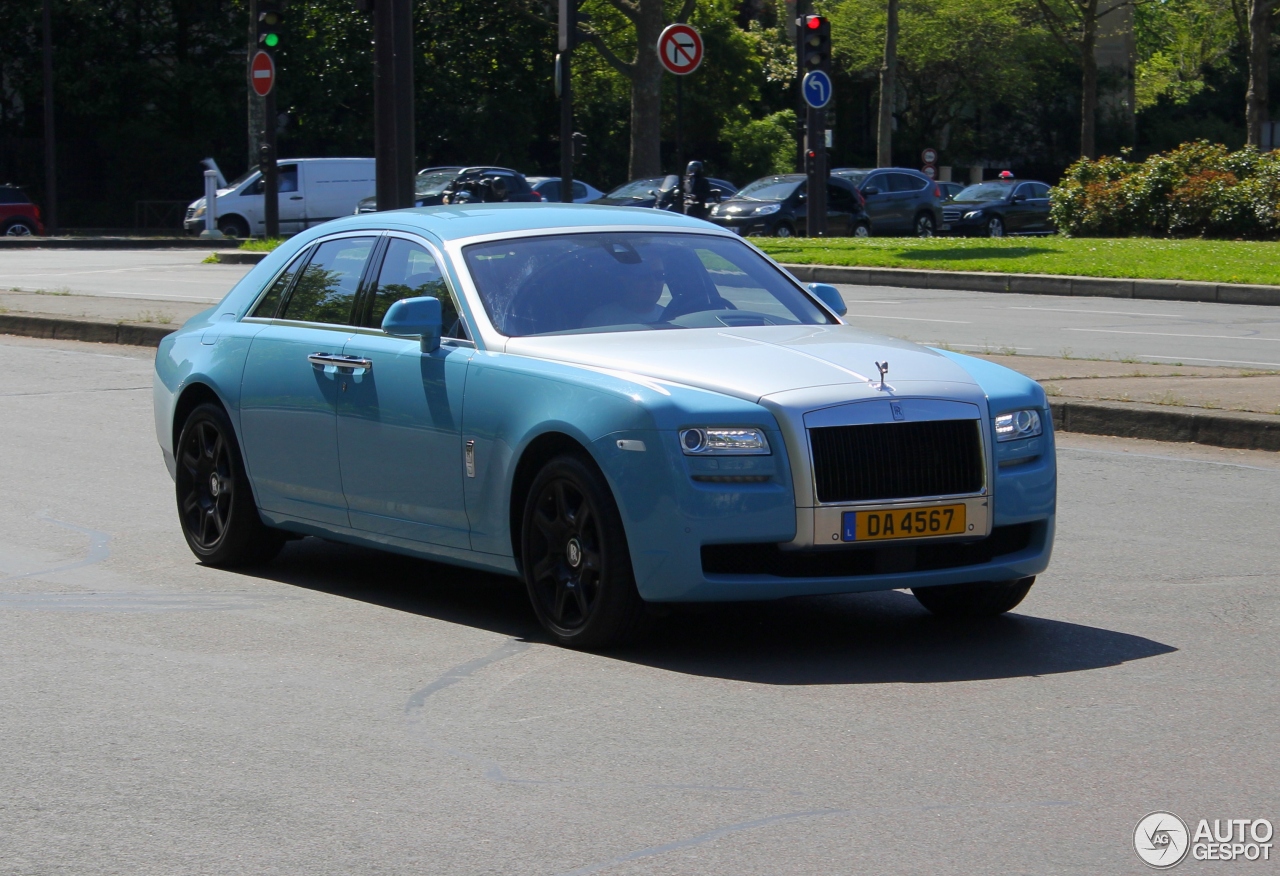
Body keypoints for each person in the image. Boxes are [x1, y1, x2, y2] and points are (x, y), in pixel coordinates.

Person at [581, 256, 666, 328]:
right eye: (644, 276)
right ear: (625, 281)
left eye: (659, 276)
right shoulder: (600, 320)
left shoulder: (670, 318)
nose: (653, 283)